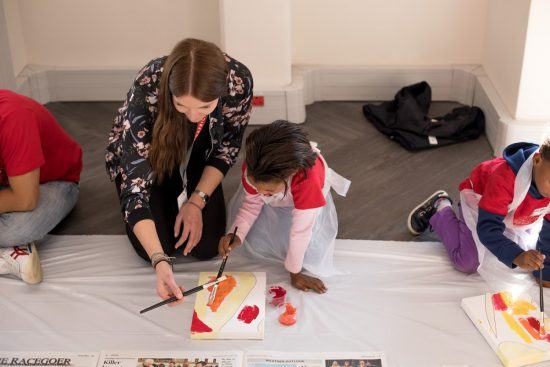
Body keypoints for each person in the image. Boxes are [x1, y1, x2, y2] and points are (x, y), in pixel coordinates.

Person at [105, 38, 253, 304]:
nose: (193, 116)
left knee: (207, 246)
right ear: (170, 91)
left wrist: (196, 202)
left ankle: (185, 193)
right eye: (182, 106)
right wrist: (159, 261)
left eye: (205, 107)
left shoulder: (238, 80)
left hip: (201, 150)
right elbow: (135, 186)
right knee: (156, 248)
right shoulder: (149, 82)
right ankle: (167, 200)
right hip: (153, 155)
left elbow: (227, 148)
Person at [219, 120, 350, 293]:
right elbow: (252, 204)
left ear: (290, 175)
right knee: (269, 236)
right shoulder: (255, 168)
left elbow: (301, 231)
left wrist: (295, 272)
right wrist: (237, 232)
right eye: (255, 184)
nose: (258, 191)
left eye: (267, 190)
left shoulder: (307, 181)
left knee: (308, 248)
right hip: (283, 189)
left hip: (307, 195)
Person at [407, 141, 550, 292]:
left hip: (514, 213)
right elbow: (488, 228)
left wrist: (545, 271)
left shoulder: (544, 180)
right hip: (480, 202)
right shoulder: (505, 179)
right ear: (537, 159)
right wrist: (517, 255)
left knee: (529, 251)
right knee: (467, 262)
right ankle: (440, 207)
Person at [0, 90, 82, 284]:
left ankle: (14, 247)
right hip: (7, 183)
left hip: (52, 183)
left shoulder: (13, 117)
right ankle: (13, 254)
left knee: (17, 229)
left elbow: (25, 199)